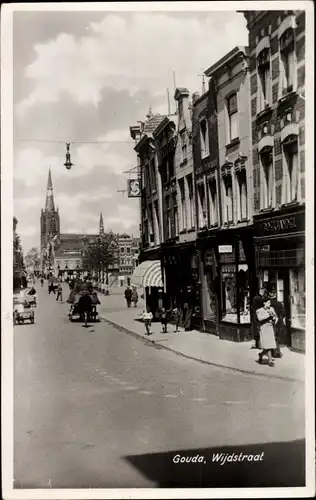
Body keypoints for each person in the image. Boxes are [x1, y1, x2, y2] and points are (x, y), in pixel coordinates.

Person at [256, 295, 278, 367]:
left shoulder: (272, 309)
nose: (270, 304)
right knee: (268, 345)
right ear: (264, 303)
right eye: (268, 302)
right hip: (263, 328)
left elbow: (276, 317)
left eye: (270, 302)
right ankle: (270, 361)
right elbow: (260, 319)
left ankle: (261, 354)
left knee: (270, 345)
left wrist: (274, 319)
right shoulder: (259, 310)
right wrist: (268, 315)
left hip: (270, 327)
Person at [269, 292, 285, 358]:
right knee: (276, 338)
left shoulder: (269, 304)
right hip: (279, 323)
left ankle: (276, 353)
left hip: (272, 323)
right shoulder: (279, 303)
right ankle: (277, 352)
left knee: (273, 338)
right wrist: (280, 318)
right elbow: (283, 313)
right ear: (275, 295)